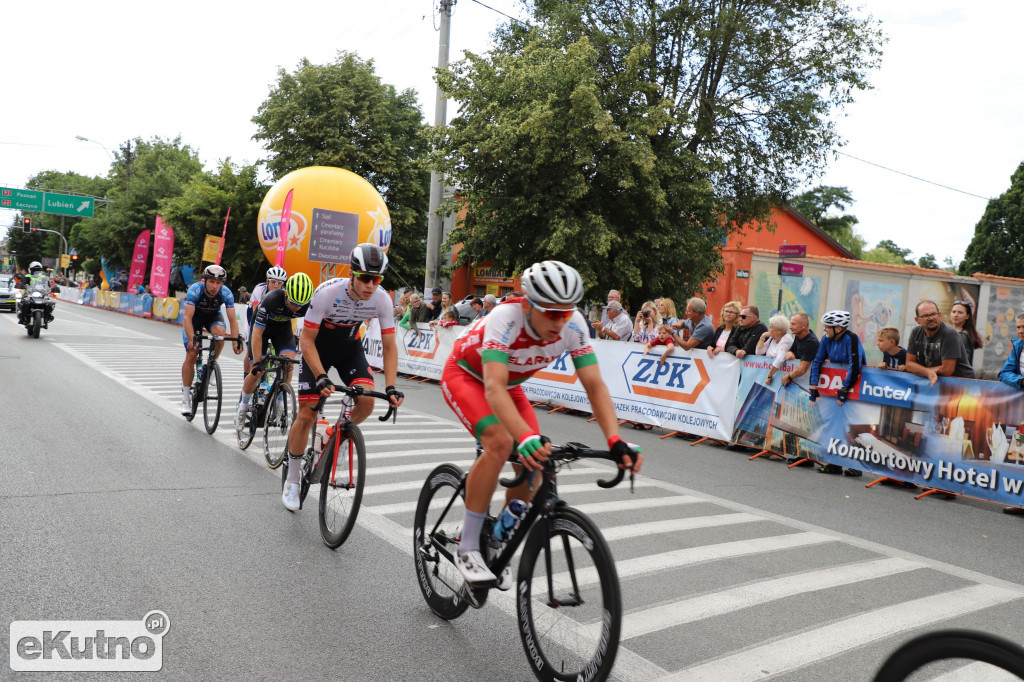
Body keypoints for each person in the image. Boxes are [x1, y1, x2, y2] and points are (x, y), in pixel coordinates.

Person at [440, 260, 642, 586]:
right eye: (549, 312)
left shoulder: (573, 325)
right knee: (501, 442)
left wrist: (615, 440)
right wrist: (522, 437)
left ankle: (496, 539)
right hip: (467, 375)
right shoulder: (505, 317)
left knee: (536, 459)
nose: (558, 321)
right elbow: (492, 387)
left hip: (509, 386)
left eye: (564, 313)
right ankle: (467, 546)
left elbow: (594, 385)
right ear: (527, 303)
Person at [281, 243, 404, 511]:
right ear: (352, 274)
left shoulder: (382, 299)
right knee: (306, 415)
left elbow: (390, 346)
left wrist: (392, 386)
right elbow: (308, 341)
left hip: (350, 348)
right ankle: (291, 479)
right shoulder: (327, 294)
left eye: (377, 279)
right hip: (318, 349)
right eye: (365, 278)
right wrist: (321, 376)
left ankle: (336, 433)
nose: (371, 285)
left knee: (366, 402)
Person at [233, 273, 314, 428]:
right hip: (261, 330)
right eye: (293, 302)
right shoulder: (272, 299)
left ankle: (279, 402)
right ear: (286, 293)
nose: (296, 308)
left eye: (300, 305)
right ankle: (242, 408)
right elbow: (257, 333)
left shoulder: (308, 305)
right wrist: (257, 362)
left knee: (288, 363)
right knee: (257, 371)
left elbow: (312, 332)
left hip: (282, 330)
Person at [180, 265, 244, 415]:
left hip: (213, 318)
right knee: (192, 353)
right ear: (205, 280)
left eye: (218, 283)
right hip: (194, 319)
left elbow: (233, 320)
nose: (215, 286)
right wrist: (192, 339)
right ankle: (185, 399)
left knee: (220, 334)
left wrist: (235, 342)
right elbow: (187, 318)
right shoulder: (195, 290)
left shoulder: (226, 293)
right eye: (212, 282)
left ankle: (211, 364)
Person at [808, 310, 865, 476]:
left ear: (839, 328)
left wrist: (845, 389)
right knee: (833, 424)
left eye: (828, 327)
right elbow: (817, 361)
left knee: (850, 425)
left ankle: (855, 465)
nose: (825, 330)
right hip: (834, 385)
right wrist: (813, 386)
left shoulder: (851, 339)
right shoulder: (827, 339)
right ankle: (834, 463)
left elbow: (856, 365)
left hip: (853, 384)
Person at [905, 300, 974, 385]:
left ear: (939, 315)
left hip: (960, 385)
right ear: (917, 320)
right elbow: (909, 364)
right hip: (935, 383)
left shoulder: (950, 333)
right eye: (926, 315)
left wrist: (922, 371)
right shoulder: (916, 332)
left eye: (934, 314)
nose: (931, 318)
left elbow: (947, 370)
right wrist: (927, 372)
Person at [245, 266, 287, 377]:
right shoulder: (260, 289)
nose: (276, 285)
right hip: (253, 318)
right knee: (251, 352)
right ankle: (247, 377)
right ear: (267, 281)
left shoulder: (284, 293)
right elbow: (256, 312)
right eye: (273, 282)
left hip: (271, 320)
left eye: (280, 283)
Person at [758, 315, 794, 384]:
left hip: (780, 377)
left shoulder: (786, 339)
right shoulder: (772, 338)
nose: (769, 330)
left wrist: (769, 375)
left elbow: (780, 359)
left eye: (771, 327)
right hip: (772, 374)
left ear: (779, 330)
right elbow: (759, 352)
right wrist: (763, 336)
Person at [949, 300, 984, 369]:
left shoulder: (963, 335)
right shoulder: (953, 332)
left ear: (967, 316)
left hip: (958, 376)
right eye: (954, 312)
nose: (956, 315)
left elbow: (963, 361)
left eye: (960, 313)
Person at [998, 314, 1024, 389]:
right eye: (1018, 327)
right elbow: (1004, 374)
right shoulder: (1017, 346)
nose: (1021, 331)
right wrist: (1021, 381)